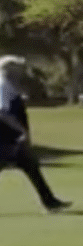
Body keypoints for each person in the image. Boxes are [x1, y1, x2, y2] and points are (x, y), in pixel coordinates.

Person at [0, 56, 72, 214]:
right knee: (28, 165)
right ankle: (50, 202)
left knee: (31, 165)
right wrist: (20, 130)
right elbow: (2, 113)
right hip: (4, 139)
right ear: (10, 71)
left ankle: (50, 202)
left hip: (10, 139)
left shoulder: (9, 86)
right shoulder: (4, 86)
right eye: (18, 69)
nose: (21, 73)